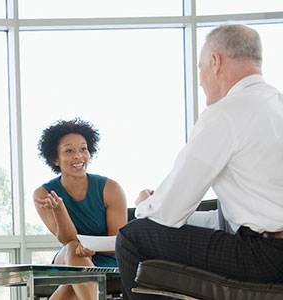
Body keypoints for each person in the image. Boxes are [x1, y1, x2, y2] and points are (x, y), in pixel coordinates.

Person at [116, 24, 283, 300]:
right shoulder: (276, 104)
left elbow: (168, 213)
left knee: (132, 237)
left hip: (263, 257)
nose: (201, 79)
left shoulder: (225, 113)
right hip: (267, 248)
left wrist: (146, 203)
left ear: (215, 62)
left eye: (200, 67)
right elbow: (242, 215)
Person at [32, 119, 127, 300]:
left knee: (71, 288)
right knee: (74, 249)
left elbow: (118, 244)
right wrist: (60, 209)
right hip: (67, 257)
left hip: (107, 260)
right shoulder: (43, 193)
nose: (78, 156)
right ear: (55, 158)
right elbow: (67, 240)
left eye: (83, 149)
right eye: (69, 151)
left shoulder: (111, 189)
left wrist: (92, 248)